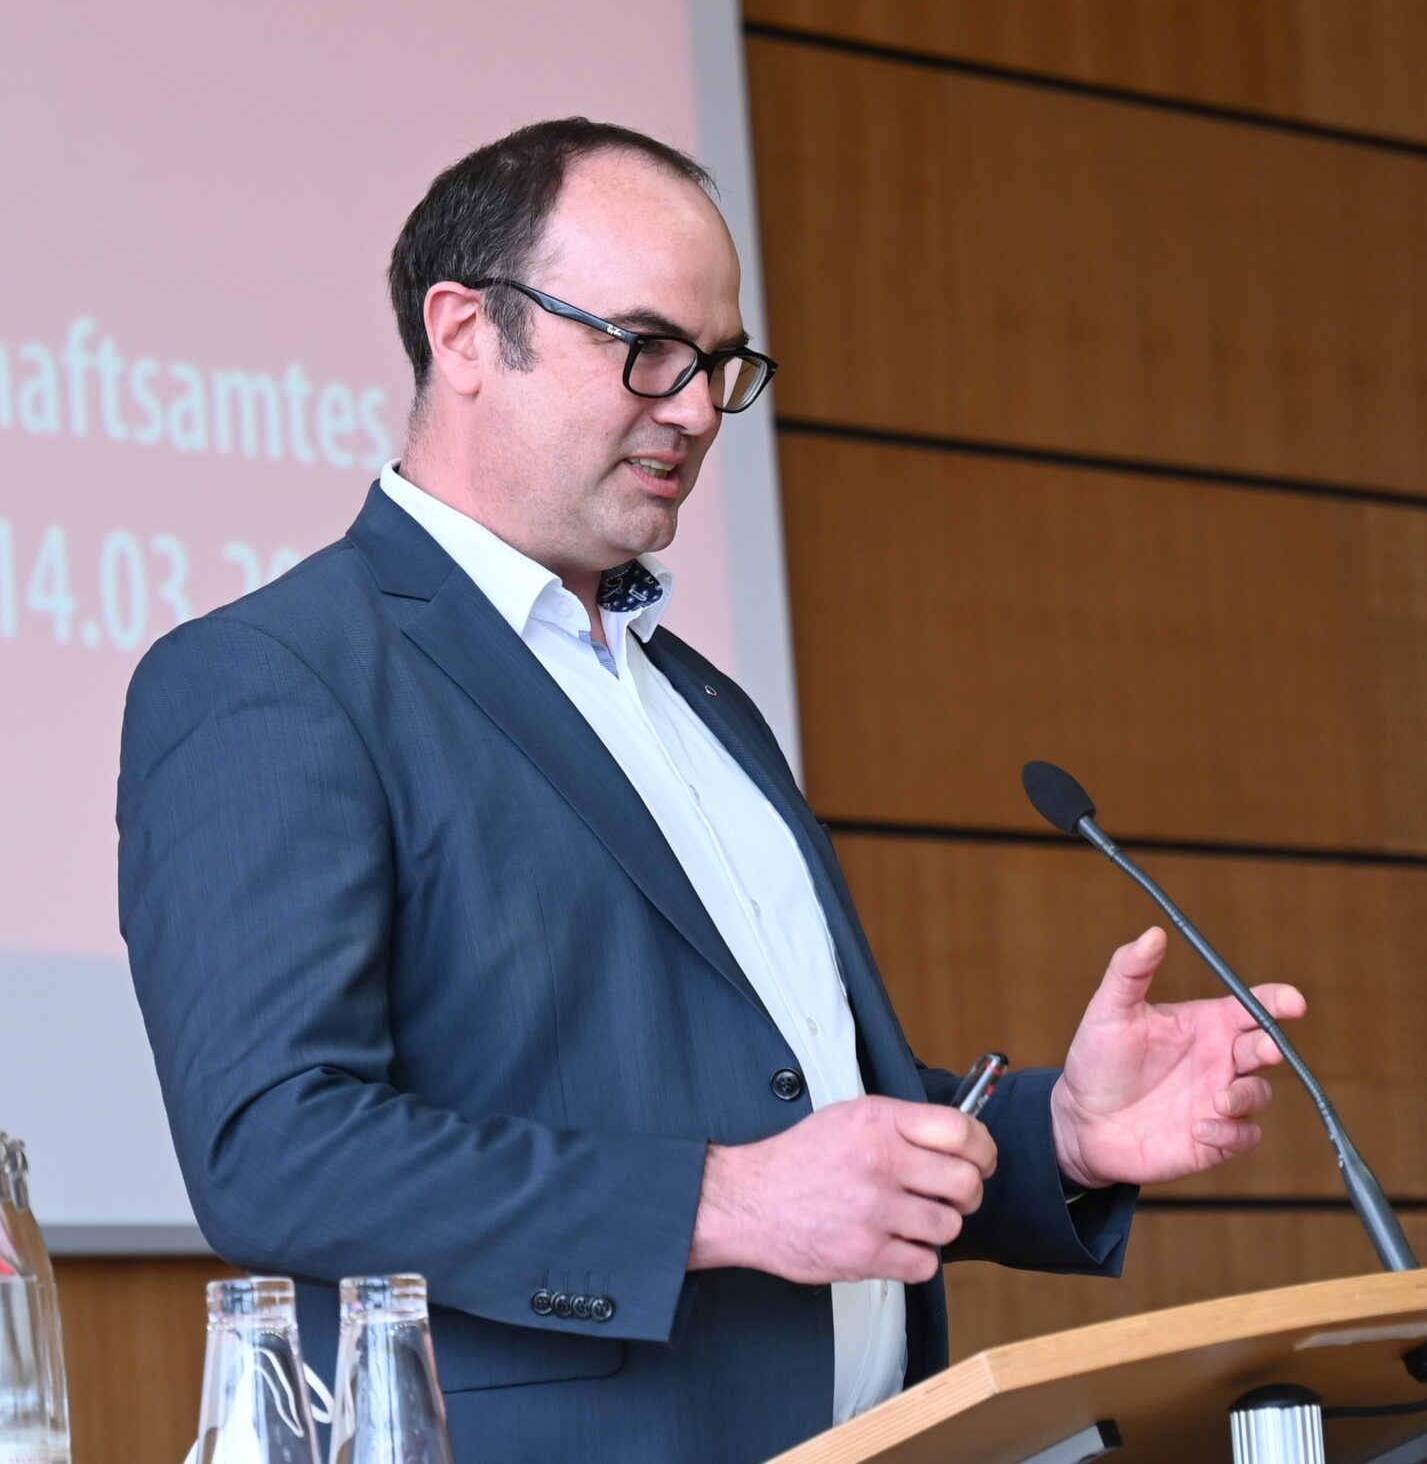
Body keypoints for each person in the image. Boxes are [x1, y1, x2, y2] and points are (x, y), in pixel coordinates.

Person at [118, 118, 1307, 1464]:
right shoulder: (273, 677)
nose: (692, 405)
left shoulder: (703, 701)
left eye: (721, 364)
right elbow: (279, 1145)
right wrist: (722, 1200)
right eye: (645, 348)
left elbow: (800, 1114)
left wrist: (1063, 1137)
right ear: (463, 333)